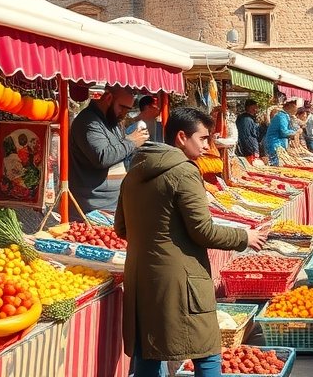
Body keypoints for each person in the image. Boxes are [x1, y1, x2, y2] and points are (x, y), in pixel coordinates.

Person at [115, 107, 268, 377]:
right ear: (182, 137)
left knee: (149, 354)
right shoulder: (184, 172)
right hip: (181, 282)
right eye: (203, 138)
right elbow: (203, 231)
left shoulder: (134, 173)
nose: (208, 146)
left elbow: (121, 228)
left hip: (142, 279)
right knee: (206, 351)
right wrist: (244, 237)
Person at [69, 86, 148, 214]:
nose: (124, 114)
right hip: (93, 208)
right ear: (108, 98)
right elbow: (103, 157)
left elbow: (119, 153)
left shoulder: (111, 122)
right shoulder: (88, 122)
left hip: (112, 204)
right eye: (122, 107)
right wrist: (132, 142)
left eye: (127, 110)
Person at [264, 100, 298, 165]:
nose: (296, 110)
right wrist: (295, 133)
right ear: (290, 106)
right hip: (275, 144)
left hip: (279, 144)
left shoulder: (285, 116)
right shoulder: (281, 116)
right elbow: (284, 132)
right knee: (276, 164)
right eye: (295, 108)